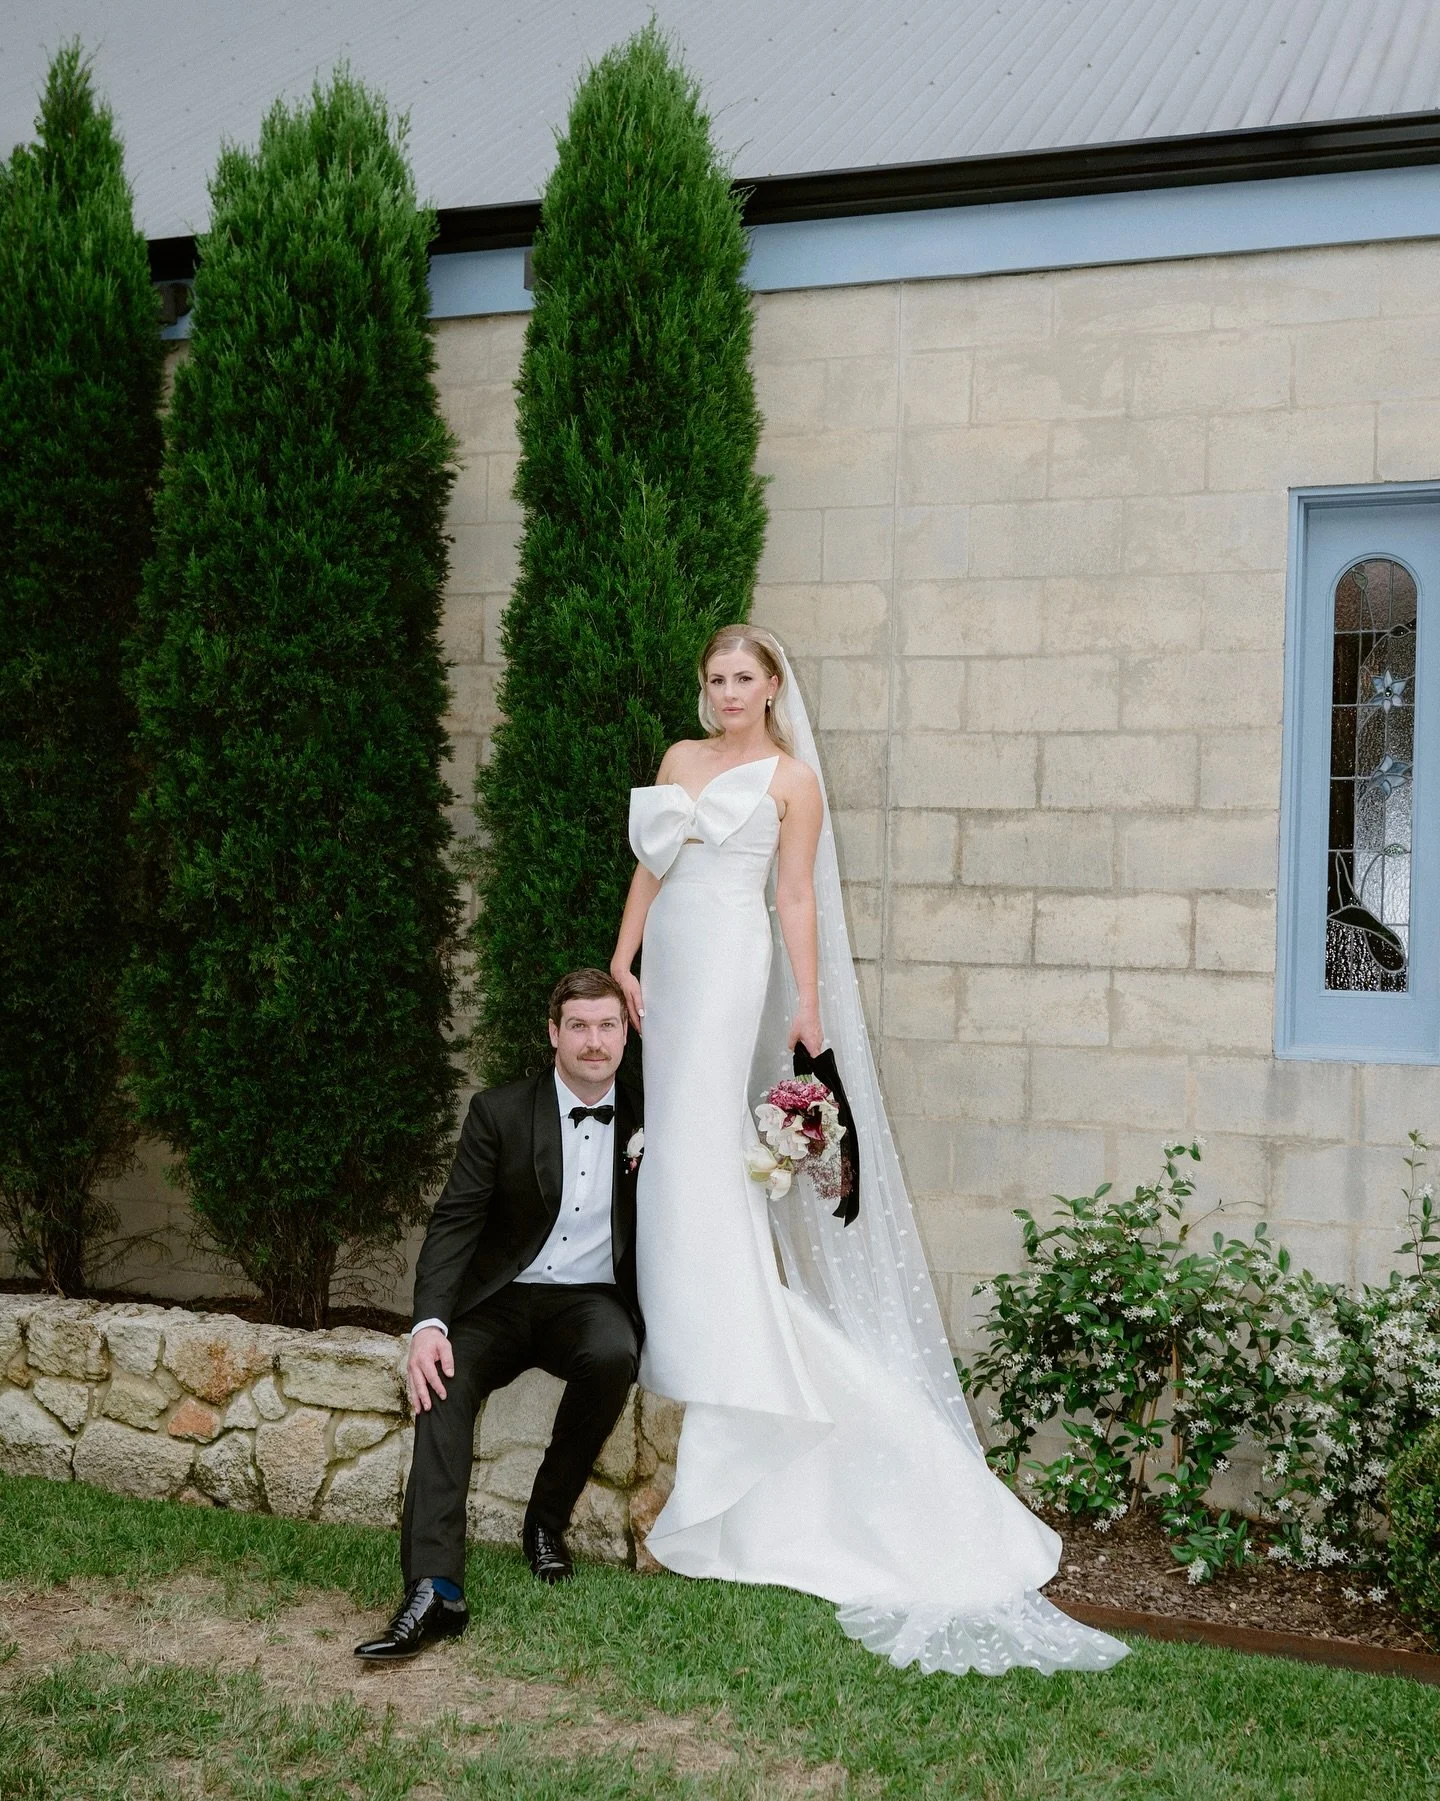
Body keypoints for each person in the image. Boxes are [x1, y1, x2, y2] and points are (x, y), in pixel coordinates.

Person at [610, 624, 1127, 1678]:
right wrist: (623, 960)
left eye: (742, 678)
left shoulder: (793, 780)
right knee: (673, 1143)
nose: (726, 694)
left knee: (710, 1132)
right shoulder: (675, 761)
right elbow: (650, 866)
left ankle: (734, 1338)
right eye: (714, 679)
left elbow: (793, 895)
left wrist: (803, 1004)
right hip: (672, 952)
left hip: (737, 958)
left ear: (771, 686)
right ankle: (678, 1323)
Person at [354, 969, 643, 1662]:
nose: (594, 1041)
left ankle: (545, 1523)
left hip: (590, 1300)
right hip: (501, 1299)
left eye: (608, 1025)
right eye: (579, 1025)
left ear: (627, 1034)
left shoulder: (652, 1115)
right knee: (443, 1381)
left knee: (614, 1355)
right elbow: (453, 1223)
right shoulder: (500, 1111)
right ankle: (435, 1587)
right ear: (553, 1033)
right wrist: (428, 1325)